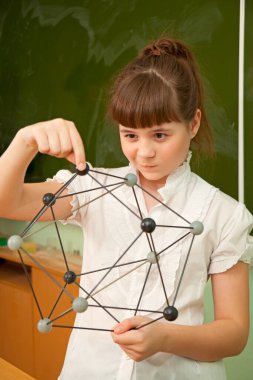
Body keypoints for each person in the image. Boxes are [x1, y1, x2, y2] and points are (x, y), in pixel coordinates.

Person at [0, 37, 252, 380]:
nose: (143, 153)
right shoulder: (92, 187)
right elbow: (7, 202)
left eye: (160, 136)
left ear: (193, 124)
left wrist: (164, 337)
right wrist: (25, 142)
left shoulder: (224, 214)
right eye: (130, 135)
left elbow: (234, 333)